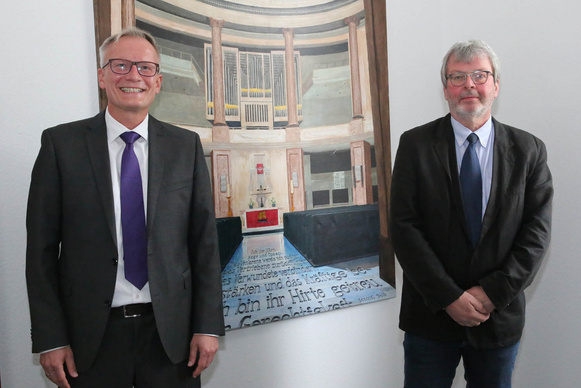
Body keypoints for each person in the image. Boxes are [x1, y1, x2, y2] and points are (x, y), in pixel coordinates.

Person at [26, 27, 224, 387]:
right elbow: (40, 251)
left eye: (145, 67)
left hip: (171, 336)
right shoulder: (61, 145)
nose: (134, 75)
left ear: (158, 81)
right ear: (102, 76)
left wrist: (207, 326)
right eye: (120, 65)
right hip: (90, 337)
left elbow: (204, 245)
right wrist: (51, 337)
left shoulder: (186, 146)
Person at [389, 40, 553, 387]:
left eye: (480, 75)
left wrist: (490, 294)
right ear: (445, 88)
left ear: (495, 85)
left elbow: (535, 234)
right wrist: (449, 297)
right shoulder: (414, 145)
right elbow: (404, 228)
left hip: (497, 318)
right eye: (457, 77)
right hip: (430, 318)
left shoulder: (529, 150)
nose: (469, 86)